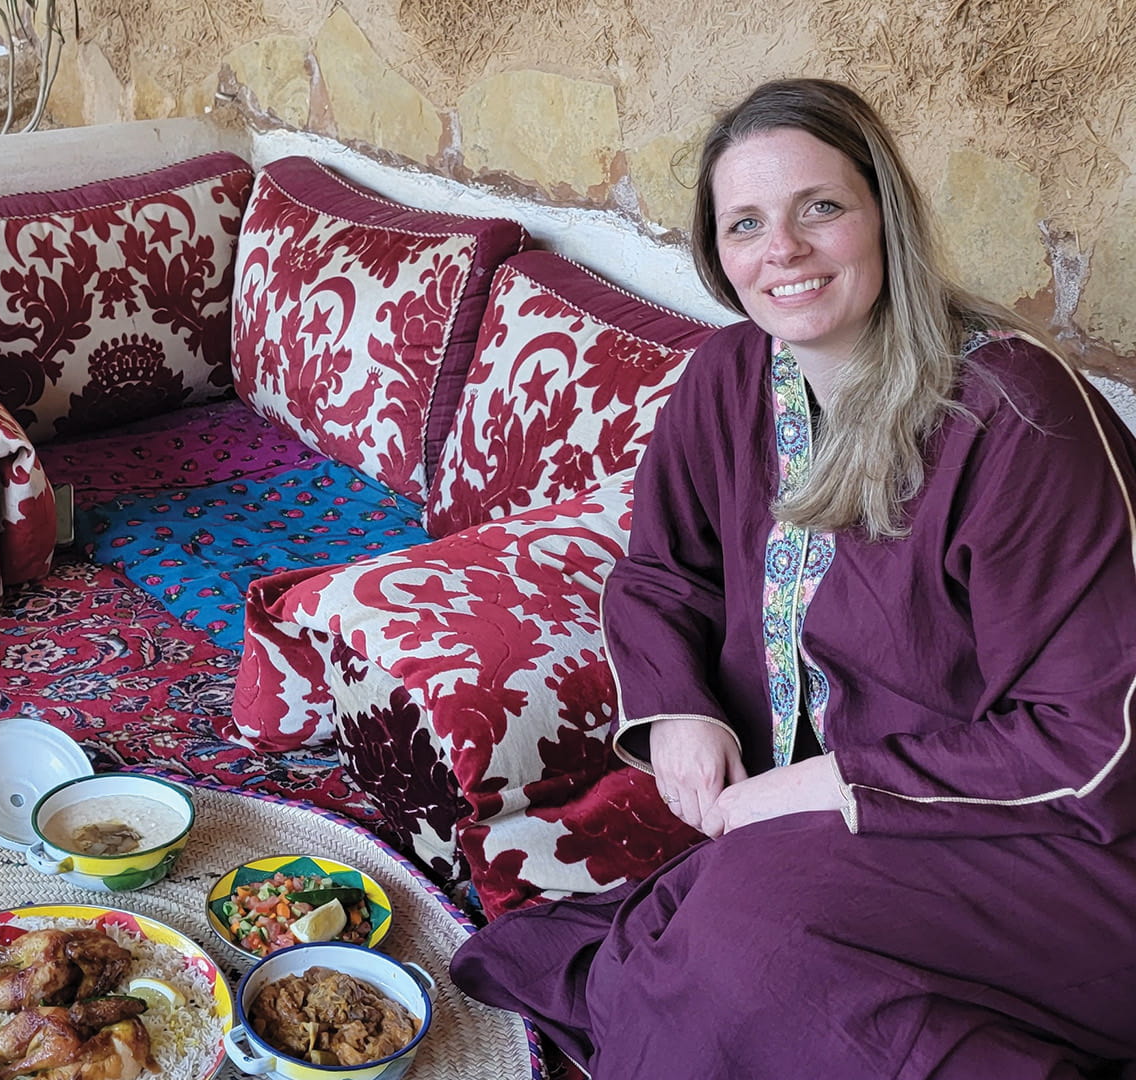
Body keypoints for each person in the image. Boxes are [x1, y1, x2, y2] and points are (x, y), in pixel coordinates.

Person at [450, 78, 1136, 1078]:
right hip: (814, 827)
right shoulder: (729, 375)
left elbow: (1092, 739)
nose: (785, 249)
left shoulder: (1020, 416)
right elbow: (660, 574)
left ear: (882, 216)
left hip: (1046, 838)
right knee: (715, 937)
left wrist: (829, 785)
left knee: (744, 943)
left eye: (821, 207)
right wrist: (685, 713)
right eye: (746, 224)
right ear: (721, 256)